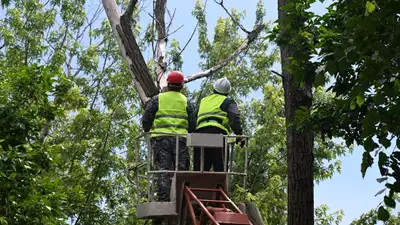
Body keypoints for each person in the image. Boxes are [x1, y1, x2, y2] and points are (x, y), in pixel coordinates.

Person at [141, 71, 196, 207]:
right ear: (182, 86)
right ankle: (181, 197)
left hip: (161, 140)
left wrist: (147, 129)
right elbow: (193, 123)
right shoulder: (186, 101)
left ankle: (164, 199)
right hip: (180, 141)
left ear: (168, 84)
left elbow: (146, 119)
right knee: (181, 170)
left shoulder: (157, 99)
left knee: (163, 170)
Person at [193, 77, 245, 172]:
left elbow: (194, 118)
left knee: (198, 171)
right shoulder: (229, 102)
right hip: (216, 135)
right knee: (220, 172)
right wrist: (240, 135)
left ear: (214, 88)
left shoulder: (203, 100)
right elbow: (234, 120)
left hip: (199, 135)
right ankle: (220, 185)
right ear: (227, 92)